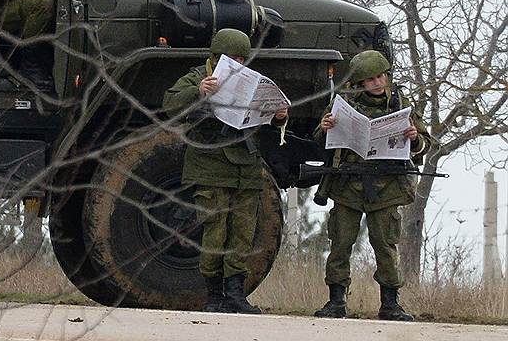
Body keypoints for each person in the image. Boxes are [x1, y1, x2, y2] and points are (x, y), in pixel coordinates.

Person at [162, 29, 288, 314]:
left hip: (246, 167)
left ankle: (235, 296)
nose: (237, 63)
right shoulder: (198, 77)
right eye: (231, 58)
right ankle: (214, 296)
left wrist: (279, 116)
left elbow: (267, 120)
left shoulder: (251, 83)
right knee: (215, 232)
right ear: (216, 57)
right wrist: (199, 92)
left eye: (242, 59)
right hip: (209, 165)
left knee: (242, 234)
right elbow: (170, 103)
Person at [313, 50, 433, 321]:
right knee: (341, 243)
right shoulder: (342, 103)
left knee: (386, 244)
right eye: (370, 80)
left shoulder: (402, 104)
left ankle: (390, 305)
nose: (377, 83)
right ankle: (336, 302)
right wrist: (326, 127)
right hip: (348, 183)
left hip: (388, 185)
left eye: (381, 77)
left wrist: (414, 138)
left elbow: (424, 143)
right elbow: (320, 142)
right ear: (359, 84)